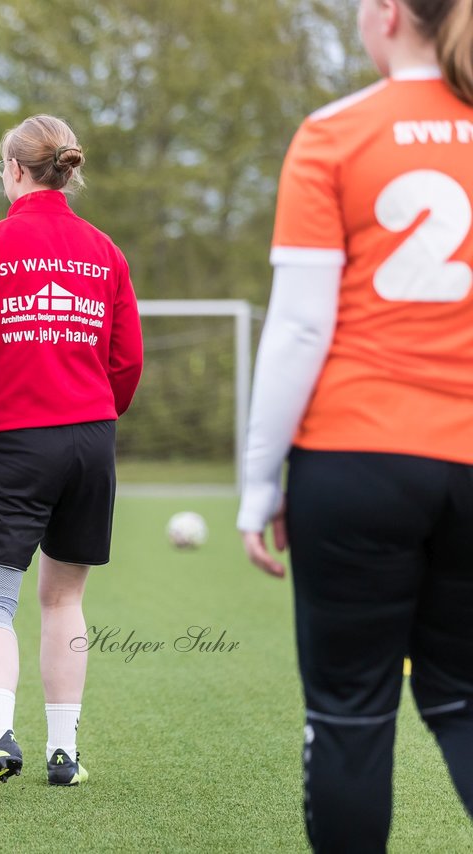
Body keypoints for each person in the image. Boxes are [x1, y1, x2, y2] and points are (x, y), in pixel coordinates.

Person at [238, 0, 473, 849]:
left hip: (357, 458)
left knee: (350, 715)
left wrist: (261, 481)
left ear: (384, 15)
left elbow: (300, 325)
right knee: (462, 699)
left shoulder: (336, 131)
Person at [0, 115, 143, 802]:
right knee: (64, 597)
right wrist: (91, 414)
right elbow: (128, 360)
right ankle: (64, 753)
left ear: (15, 170)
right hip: (91, 439)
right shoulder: (105, 250)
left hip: (18, 440)